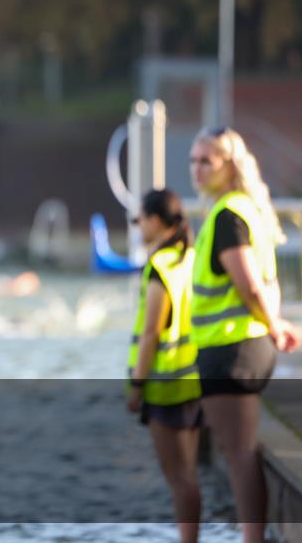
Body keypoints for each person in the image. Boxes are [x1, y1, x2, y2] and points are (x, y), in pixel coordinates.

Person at [189, 127, 300, 543]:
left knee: (238, 454)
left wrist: (275, 325)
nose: (196, 170)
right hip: (241, 346)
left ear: (228, 166)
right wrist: (275, 323)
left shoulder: (227, 216)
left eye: (206, 161)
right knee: (240, 451)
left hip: (232, 349)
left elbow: (249, 284)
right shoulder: (244, 209)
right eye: (193, 160)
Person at [126, 189, 200, 543]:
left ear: (156, 221)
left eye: (139, 219)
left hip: (165, 386)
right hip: (194, 380)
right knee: (189, 476)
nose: (137, 226)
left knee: (178, 478)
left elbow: (151, 333)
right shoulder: (190, 258)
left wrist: (137, 386)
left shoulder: (160, 268)